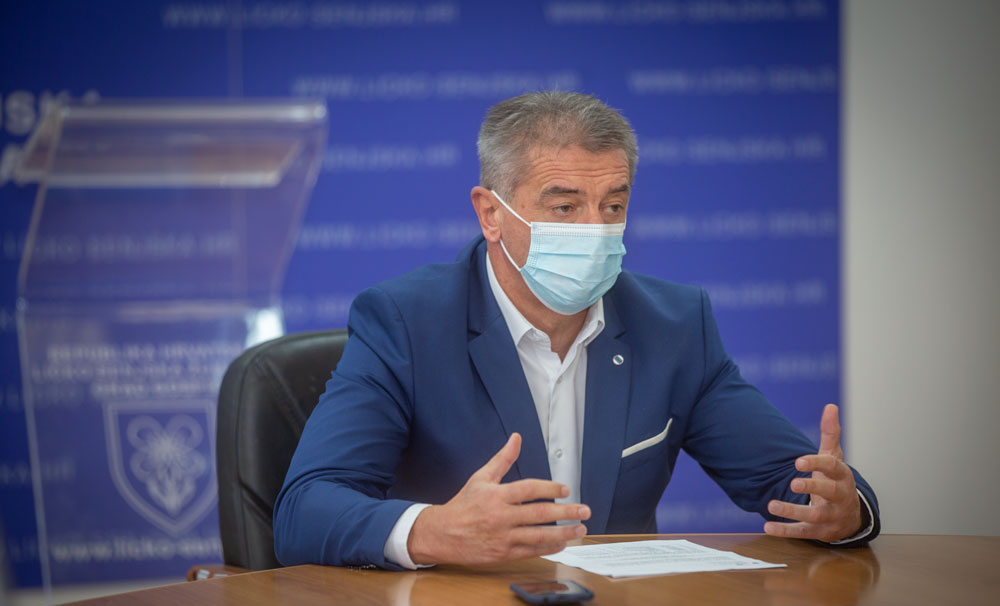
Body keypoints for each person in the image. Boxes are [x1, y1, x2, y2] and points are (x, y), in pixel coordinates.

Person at [273, 91, 879, 570]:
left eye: (613, 206)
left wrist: (842, 509)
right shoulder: (405, 322)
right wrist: (433, 531)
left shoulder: (673, 326)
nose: (595, 229)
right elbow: (305, 509)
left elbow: (794, 486)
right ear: (490, 213)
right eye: (564, 207)